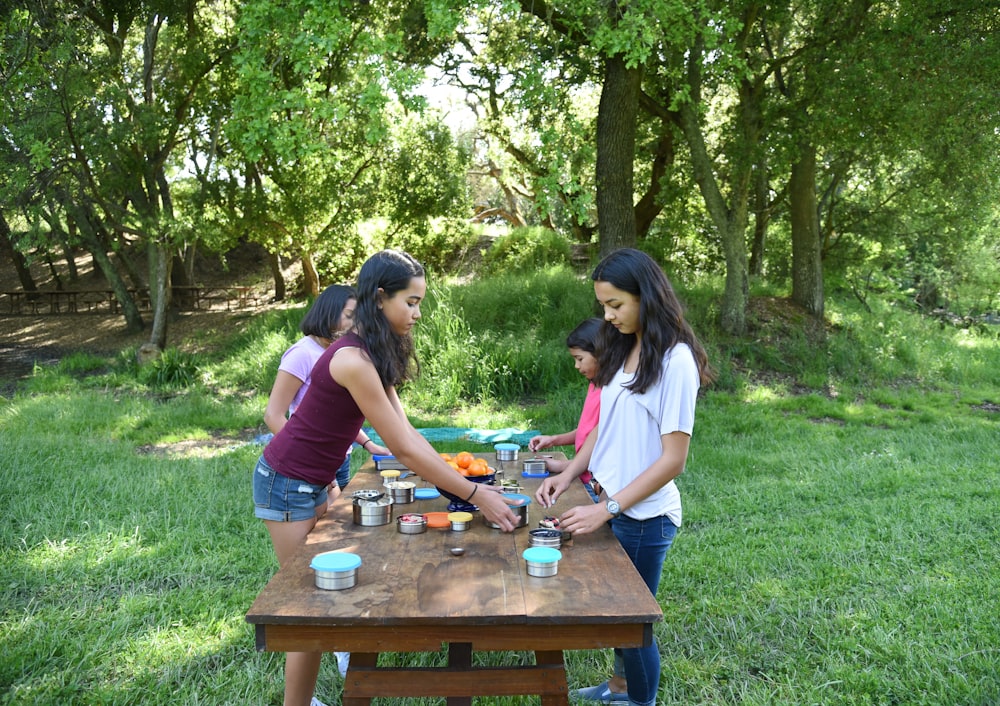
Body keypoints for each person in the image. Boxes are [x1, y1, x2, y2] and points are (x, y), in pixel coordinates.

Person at [253, 250, 520, 706]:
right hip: (286, 483)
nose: (417, 314)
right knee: (307, 608)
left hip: (316, 481)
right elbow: (401, 448)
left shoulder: (374, 352)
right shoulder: (353, 359)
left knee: (331, 594)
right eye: (411, 302)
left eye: (419, 303)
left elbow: (407, 432)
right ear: (381, 297)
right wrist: (475, 494)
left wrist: (456, 476)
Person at [535, 248, 714, 706]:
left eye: (616, 305)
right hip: (609, 503)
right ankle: (618, 687)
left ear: (646, 296)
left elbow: (674, 460)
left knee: (631, 625)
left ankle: (640, 700)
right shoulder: (623, 346)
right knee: (617, 613)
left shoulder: (675, 362)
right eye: (603, 306)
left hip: (644, 517)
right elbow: (603, 429)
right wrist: (571, 472)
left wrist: (607, 509)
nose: (608, 316)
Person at [263, 284, 389, 502]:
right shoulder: (302, 354)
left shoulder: (344, 353)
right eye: (349, 315)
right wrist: (310, 461)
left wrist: (368, 444)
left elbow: (335, 415)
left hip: (339, 457)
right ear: (328, 312)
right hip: (311, 462)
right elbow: (273, 416)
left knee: (338, 527)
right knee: (323, 530)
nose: (355, 323)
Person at [527, 317, 604, 502]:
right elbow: (588, 432)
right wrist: (553, 440)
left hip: (598, 486)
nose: (576, 366)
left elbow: (600, 444)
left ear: (601, 353)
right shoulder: (594, 386)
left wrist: (564, 467)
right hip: (583, 477)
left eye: (580, 359)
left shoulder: (610, 393)